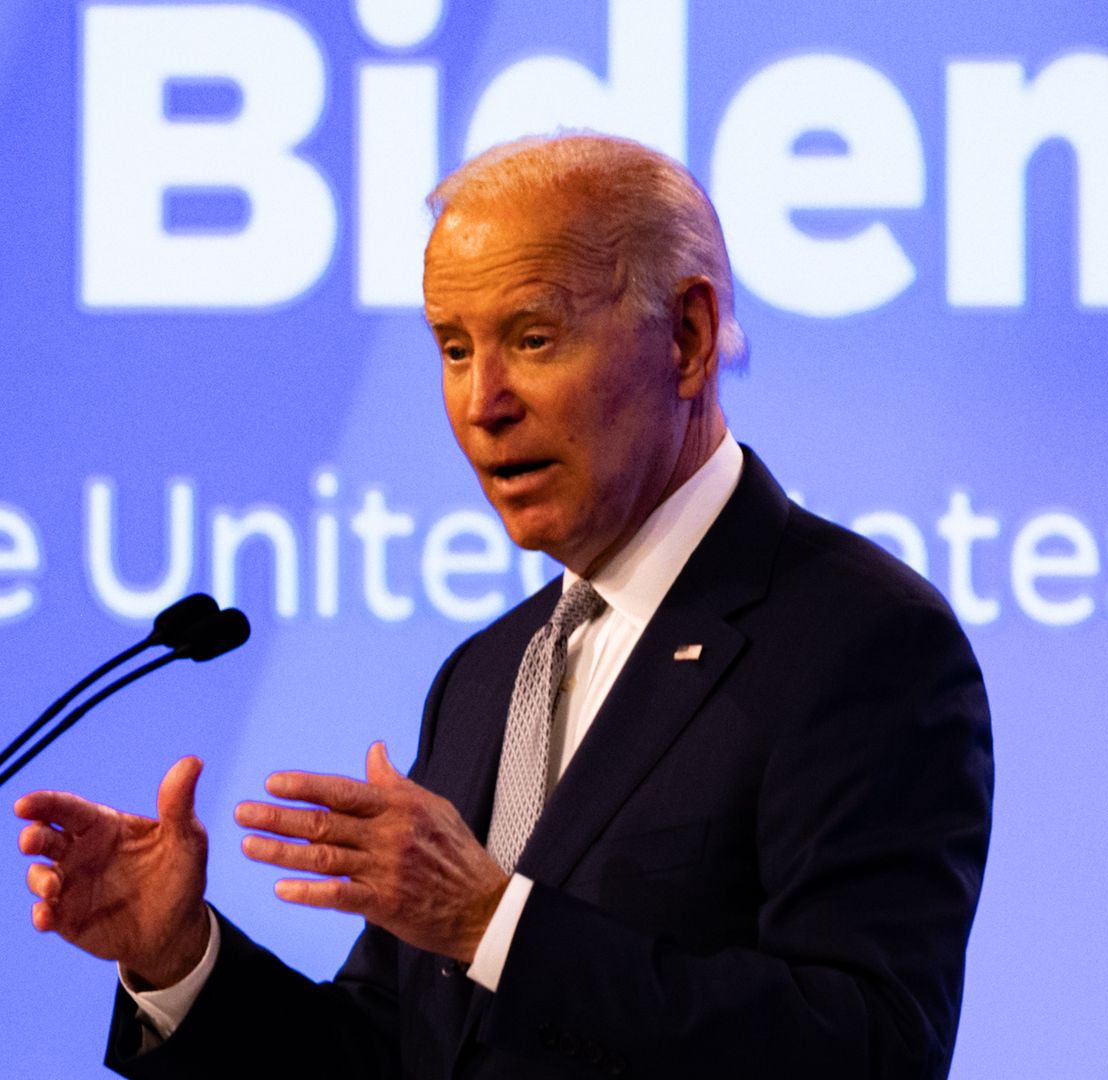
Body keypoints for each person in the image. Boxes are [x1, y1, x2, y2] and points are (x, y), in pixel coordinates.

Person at [14, 133, 993, 1079]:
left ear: (687, 339)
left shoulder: (859, 642)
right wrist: (180, 962)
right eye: (453, 348)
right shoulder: (489, 674)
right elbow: (399, 1055)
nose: (484, 402)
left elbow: (870, 1047)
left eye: (533, 338)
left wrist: (494, 925)